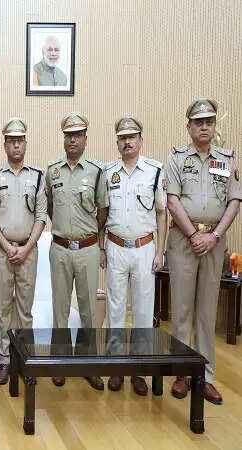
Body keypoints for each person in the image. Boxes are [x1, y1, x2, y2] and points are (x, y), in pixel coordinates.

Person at [165, 98, 241, 405]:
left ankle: (206, 377)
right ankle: (182, 373)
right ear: (189, 127)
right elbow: (172, 201)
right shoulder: (176, 158)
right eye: (199, 122)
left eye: (209, 121)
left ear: (214, 125)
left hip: (214, 242)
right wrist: (195, 234)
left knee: (207, 312)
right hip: (184, 240)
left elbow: (234, 201)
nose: (205, 127)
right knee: (182, 311)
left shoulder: (227, 159)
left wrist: (214, 236)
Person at [101, 117, 167, 395]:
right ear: (117, 141)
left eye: (132, 137)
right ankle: (116, 367)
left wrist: (160, 251)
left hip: (144, 248)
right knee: (115, 309)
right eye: (122, 137)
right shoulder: (107, 172)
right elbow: (102, 213)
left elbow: (162, 213)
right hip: (115, 246)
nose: (127, 142)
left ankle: (139, 369)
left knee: (142, 311)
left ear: (141, 139)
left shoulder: (154, 171)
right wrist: (102, 247)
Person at [45, 112, 108, 390]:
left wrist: (87, 232)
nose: (73, 140)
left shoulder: (96, 171)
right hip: (59, 248)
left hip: (87, 249)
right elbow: (50, 208)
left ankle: (88, 364)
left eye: (78, 135)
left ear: (85, 138)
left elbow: (103, 210)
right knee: (59, 309)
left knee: (88, 311)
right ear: (64, 138)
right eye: (68, 135)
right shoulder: (52, 171)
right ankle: (59, 363)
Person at [0, 117, 46, 385]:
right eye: (11, 141)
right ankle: (4, 360)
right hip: (2, 251)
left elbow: (41, 217)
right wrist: (8, 246)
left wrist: (25, 248)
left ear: (25, 143)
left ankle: (23, 359)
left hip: (28, 251)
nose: (16, 146)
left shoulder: (38, 177)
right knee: (2, 308)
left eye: (20, 141)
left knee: (24, 310)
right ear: (5, 145)